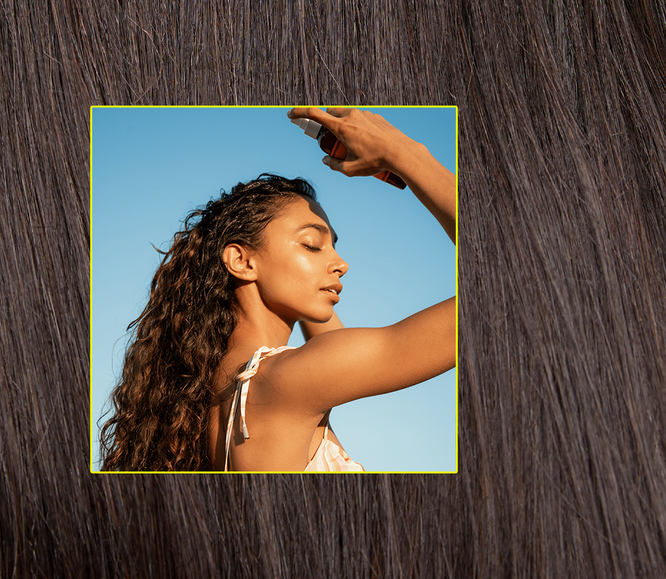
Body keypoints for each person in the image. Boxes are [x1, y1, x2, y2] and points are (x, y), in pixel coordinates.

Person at [100, 107, 456, 471]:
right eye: (311, 245)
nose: (341, 263)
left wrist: (313, 281)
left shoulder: (212, 390)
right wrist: (405, 152)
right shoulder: (290, 378)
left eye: (333, 245)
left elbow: (329, 338)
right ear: (242, 261)